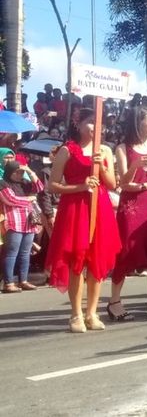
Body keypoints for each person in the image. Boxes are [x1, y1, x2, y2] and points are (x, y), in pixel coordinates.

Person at [45, 108, 122, 333]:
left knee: (96, 260)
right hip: (75, 209)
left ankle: (92, 312)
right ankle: (76, 313)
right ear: (78, 125)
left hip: (101, 208)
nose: (97, 128)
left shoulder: (106, 150)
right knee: (77, 262)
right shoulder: (67, 150)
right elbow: (53, 185)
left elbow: (111, 185)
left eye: (100, 125)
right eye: (91, 122)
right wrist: (81, 186)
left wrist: (103, 166)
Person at [108, 108, 147, 320]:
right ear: (138, 123)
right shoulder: (123, 148)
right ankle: (114, 301)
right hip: (131, 205)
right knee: (126, 250)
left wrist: (143, 187)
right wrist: (136, 165)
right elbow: (124, 182)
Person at [0, 162, 44, 293]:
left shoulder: (24, 183)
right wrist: (29, 199)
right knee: (12, 252)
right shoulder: (3, 183)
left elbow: (39, 187)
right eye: (16, 172)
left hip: (29, 222)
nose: (19, 174)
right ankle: (8, 283)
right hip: (14, 221)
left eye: (20, 172)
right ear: (9, 172)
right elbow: (10, 200)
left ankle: (23, 280)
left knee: (25, 253)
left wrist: (30, 172)